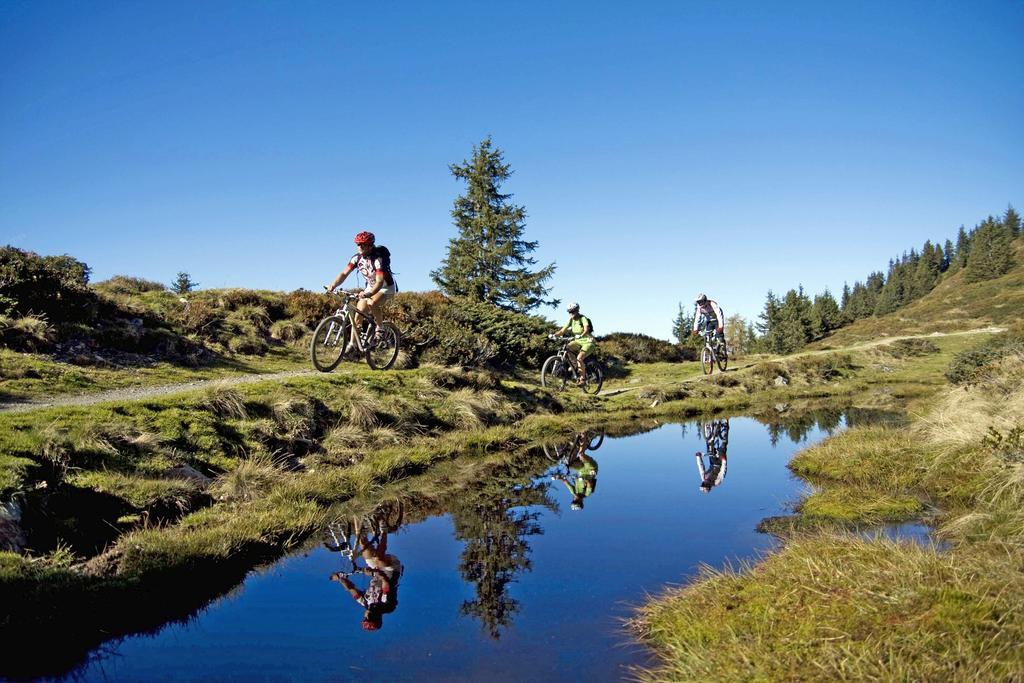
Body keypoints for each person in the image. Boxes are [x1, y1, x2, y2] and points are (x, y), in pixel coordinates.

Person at [326, 231, 397, 353]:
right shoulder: (356, 258)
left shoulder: (377, 260)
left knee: (371, 303)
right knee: (358, 314)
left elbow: (380, 282)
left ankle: (380, 328)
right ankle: (352, 345)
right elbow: (344, 273)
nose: (359, 247)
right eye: (358, 244)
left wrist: (369, 294)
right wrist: (333, 284)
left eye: (363, 244)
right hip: (371, 286)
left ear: (370, 245)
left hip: (385, 287)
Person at [330, 520, 403, 631]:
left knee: (363, 544)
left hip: (376, 570)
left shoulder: (365, 602)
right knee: (379, 559)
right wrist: (374, 573)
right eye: (367, 618)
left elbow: (350, 589)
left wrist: (340, 578)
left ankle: (359, 520)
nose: (365, 615)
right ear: (375, 617)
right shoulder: (387, 606)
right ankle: (384, 531)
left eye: (364, 618)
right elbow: (385, 583)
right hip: (391, 570)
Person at [551, 302, 596, 386]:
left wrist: (581, 335)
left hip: (588, 341)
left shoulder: (583, 318)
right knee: (567, 347)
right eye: (569, 312)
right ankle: (576, 367)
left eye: (573, 311)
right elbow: (562, 331)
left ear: (577, 310)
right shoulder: (571, 320)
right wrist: (554, 335)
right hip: (578, 341)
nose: (571, 313)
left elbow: (586, 329)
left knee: (579, 358)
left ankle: (582, 379)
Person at [552, 432, 600, 510]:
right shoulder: (586, 493)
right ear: (581, 501)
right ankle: (584, 434)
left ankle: (575, 443)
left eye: (574, 501)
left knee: (569, 463)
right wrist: (585, 480)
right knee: (581, 455)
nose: (575, 499)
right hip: (591, 469)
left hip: (581, 469)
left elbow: (565, 482)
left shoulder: (574, 492)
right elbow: (590, 484)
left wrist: (558, 477)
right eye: (577, 501)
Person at [695, 419, 729, 493]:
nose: (705, 483)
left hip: (712, 462)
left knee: (709, 446)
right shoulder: (717, 482)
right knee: (723, 446)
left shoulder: (703, 477)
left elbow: (701, 467)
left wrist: (698, 457)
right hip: (720, 463)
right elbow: (723, 472)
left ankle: (708, 429)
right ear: (709, 486)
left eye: (703, 484)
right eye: (706, 485)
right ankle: (725, 427)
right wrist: (724, 461)